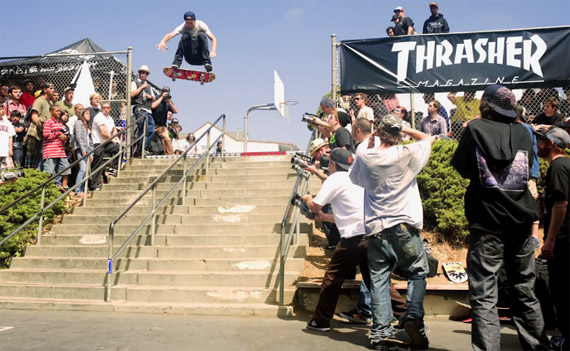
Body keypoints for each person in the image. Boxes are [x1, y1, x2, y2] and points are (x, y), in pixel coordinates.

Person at [451, 85, 550, 351]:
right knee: (525, 290)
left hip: (487, 221)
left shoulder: (475, 128)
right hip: (521, 220)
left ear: (486, 105)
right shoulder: (523, 131)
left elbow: (461, 166)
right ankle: (538, 346)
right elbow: (526, 167)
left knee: (484, 293)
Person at [349, 114, 433, 350]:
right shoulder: (406, 154)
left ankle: (381, 333)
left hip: (376, 228)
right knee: (418, 271)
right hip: (404, 226)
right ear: (398, 136)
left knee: (378, 280)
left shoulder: (366, 156)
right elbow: (427, 138)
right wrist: (407, 129)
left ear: (378, 133)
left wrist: (372, 137)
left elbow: (356, 170)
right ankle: (413, 316)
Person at [303, 148, 371, 332]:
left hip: (353, 238)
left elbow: (316, 204)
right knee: (375, 280)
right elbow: (348, 213)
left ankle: (321, 321)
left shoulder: (335, 178)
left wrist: (308, 199)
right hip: (370, 233)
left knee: (332, 278)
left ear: (333, 164)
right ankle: (407, 316)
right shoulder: (357, 178)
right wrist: (324, 218)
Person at [535, 126, 570, 351]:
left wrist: (550, 240)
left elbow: (561, 203)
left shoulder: (558, 166)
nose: (538, 144)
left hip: (563, 241)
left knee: (562, 291)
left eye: (542, 140)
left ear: (552, 144)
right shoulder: (565, 165)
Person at [89, 102, 119, 191]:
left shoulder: (110, 118)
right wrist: (112, 139)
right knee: (97, 164)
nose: (105, 109)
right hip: (98, 143)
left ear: (110, 109)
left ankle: (113, 168)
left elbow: (114, 129)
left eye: (107, 107)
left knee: (120, 148)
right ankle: (94, 185)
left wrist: (115, 138)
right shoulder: (99, 117)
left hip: (106, 142)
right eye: (103, 107)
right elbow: (103, 132)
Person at [25, 82, 55, 169]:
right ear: (45, 90)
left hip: (46, 135)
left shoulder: (50, 103)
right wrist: (43, 128)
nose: (53, 90)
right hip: (36, 133)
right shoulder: (39, 100)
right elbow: (34, 117)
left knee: (41, 158)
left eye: (53, 88)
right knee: (32, 159)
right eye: (51, 88)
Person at [42, 105, 70, 190]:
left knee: (66, 168)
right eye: (57, 111)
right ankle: (47, 189)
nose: (59, 112)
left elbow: (64, 136)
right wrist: (57, 134)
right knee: (49, 172)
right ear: (51, 112)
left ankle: (64, 186)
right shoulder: (48, 122)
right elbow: (46, 135)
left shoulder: (60, 124)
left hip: (60, 150)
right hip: (50, 151)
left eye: (59, 111)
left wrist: (64, 137)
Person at [131, 65, 156, 155]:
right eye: (142, 72)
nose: (143, 74)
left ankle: (143, 149)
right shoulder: (134, 83)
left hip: (148, 110)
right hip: (140, 108)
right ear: (139, 73)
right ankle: (140, 150)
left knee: (151, 130)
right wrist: (142, 87)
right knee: (144, 128)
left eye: (145, 73)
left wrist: (151, 97)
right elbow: (132, 94)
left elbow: (154, 99)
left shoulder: (149, 86)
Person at [151, 86, 178, 155]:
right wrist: (162, 97)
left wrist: (169, 101)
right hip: (152, 124)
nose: (166, 93)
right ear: (161, 92)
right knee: (146, 138)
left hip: (162, 126)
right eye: (164, 91)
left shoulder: (168, 101)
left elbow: (175, 110)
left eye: (167, 92)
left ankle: (170, 155)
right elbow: (153, 106)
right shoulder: (156, 97)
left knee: (167, 139)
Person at [73, 109, 93, 198]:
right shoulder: (78, 123)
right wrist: (83, 150)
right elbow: (78, 137)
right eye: (87, 113)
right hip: (81, 149)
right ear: (82, 114)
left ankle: (82, 189)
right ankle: (78, 190)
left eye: (89, 113)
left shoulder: (87, 125)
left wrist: (91, 152)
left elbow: (90, 140)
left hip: (88, 149)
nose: (89, 115)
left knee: (85, 171)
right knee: (82, 169)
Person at [0, 104, 15, 170]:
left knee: (8, 171)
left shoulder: (7, 122)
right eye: (0, 109)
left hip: (5, 150)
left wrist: (11, 148)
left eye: (3, 109)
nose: (2, 111)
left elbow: (10, 136)